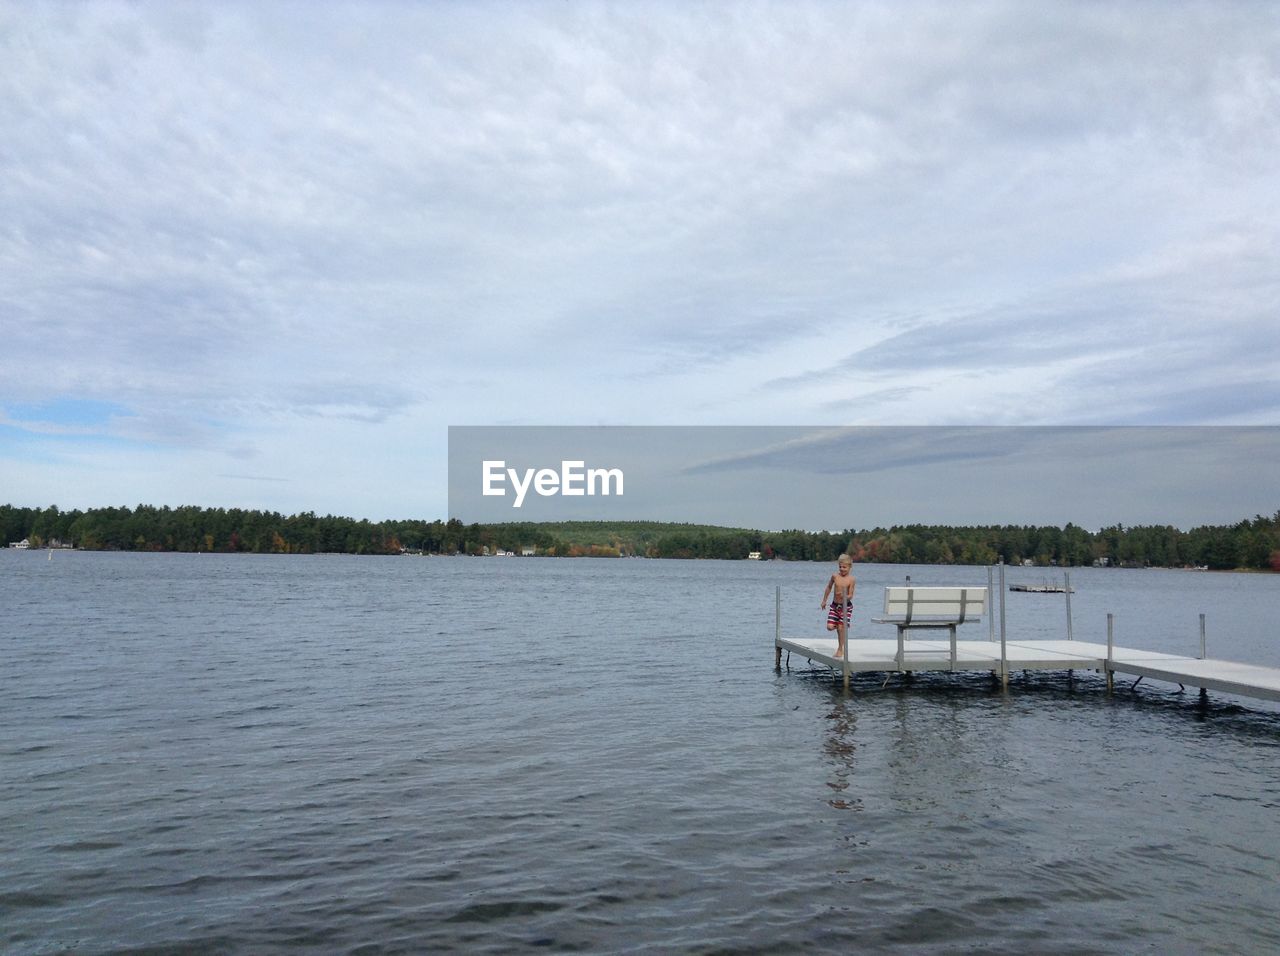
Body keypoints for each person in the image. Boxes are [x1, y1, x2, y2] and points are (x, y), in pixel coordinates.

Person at [821, 553, 856, 659]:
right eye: (840, 567)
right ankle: (841, 627)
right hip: (835, 606)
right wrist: (824, 600)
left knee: (841, 628)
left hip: (846, 607)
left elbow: (851, 595)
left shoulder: (851, 579)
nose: (842, 569)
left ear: (850, 567)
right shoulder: (835, 576)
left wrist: (846, 597)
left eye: (844, 567)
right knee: (830, 627)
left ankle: (840, 648)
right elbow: (829, 587)